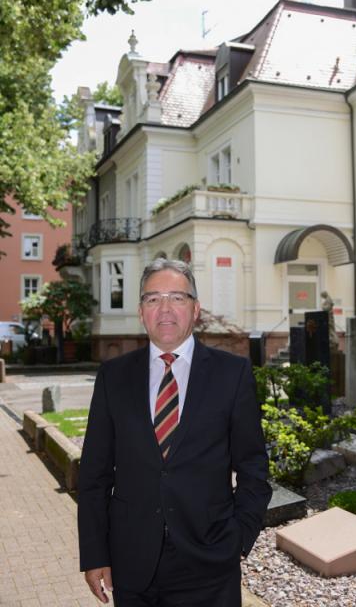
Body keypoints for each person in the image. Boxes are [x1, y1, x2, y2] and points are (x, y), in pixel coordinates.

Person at [78, 258, 272, 607]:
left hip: (210, 564)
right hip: (132, 563)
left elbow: (253, 467)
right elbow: (94, 474)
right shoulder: (113, 377)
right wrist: (95, 553)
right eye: (153, 299)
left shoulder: (232, 374)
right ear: (141, 312)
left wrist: (240, 538)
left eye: (177, 298)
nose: (165, 309)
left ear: (195, 309)